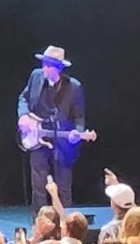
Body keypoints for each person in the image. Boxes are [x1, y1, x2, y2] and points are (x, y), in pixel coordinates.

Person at [16, 44, 91, 210]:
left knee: (63, 187)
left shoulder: (74, 87)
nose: (44, 68)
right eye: (44, 64)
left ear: (59, 68)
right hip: (36, 138)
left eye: (49, 65)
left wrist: (77, 133)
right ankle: (39, 221)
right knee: (38, 186)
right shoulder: (36, 76)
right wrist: (23, 115)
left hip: (62, 142)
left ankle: (66, 221)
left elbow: (79, 116)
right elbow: (24, 97)